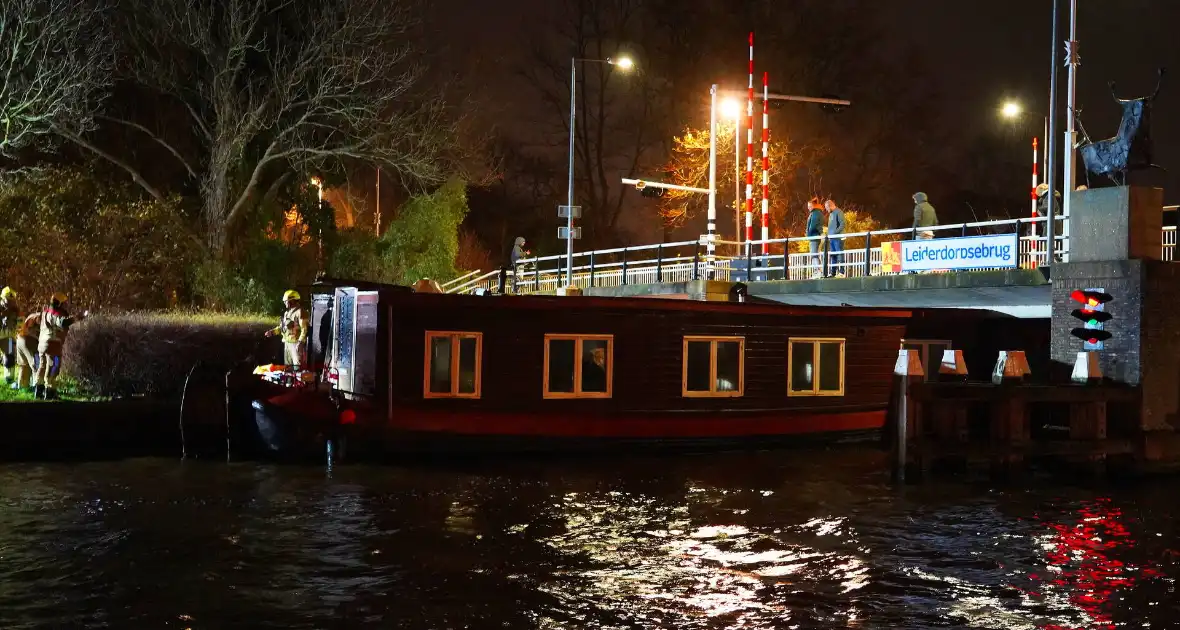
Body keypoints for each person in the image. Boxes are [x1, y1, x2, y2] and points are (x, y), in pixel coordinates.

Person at [36, 292, 84, 400]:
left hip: (42, 344)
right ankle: (50, 392)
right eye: (64, 303)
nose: (65, 306)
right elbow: (62, 323)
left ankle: (38, 391)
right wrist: (76, 318)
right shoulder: (54, 312)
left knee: (42, 367)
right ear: (59, 304)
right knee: (54, 367)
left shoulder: (45, 312)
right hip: (52, 345)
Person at [265, 289, 308, 371]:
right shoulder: (287, 313)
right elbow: (282, 327)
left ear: (292, 301)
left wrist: (300, 342)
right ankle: (289, 382)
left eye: (286, 301)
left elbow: (304, 329)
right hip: (287, 343)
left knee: (297, 366)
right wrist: (272, 332)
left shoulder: (301, 312)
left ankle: (299, 382)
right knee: (288, 367)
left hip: (296, 344)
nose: (285, 303)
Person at [13, 310, 41, 391]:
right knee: (36, 364)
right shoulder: (40, 317)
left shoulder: (30, 316)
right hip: (29, 341)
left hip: (19, 340)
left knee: (24, 365)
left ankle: (22, 387)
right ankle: (37, 387)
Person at [0, 287, 19, 386]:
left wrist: (18, 312)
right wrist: (8, 310)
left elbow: (20, 322)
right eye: (8, 300)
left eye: (12, 300)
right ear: (3, 298)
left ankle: (9, 378)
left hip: (10, 337)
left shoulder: (15, 309)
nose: (11, 302)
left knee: (10, 356)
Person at [825, 200, 847, 277]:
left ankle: (842, 272)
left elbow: (843, 224)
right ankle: (833, 272)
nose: (827, 210)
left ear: (830, 206)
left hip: (838, 237)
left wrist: (835, 232)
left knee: (839, 254)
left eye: (827, 208)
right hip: (832, 238)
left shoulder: (839, 212)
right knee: (833, 255)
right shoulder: (831, 214)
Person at [805, 199, 824, 277]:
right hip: (814, 236)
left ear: (813, 206)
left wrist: (808, 234)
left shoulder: (815, 213)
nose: (808, 208)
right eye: (808, 206)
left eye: (809, 206)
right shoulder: (816, 213)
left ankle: (817, 271)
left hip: (814, 236)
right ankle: (818, 271)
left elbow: (813, 225)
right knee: (814, 254)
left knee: (814, 254)